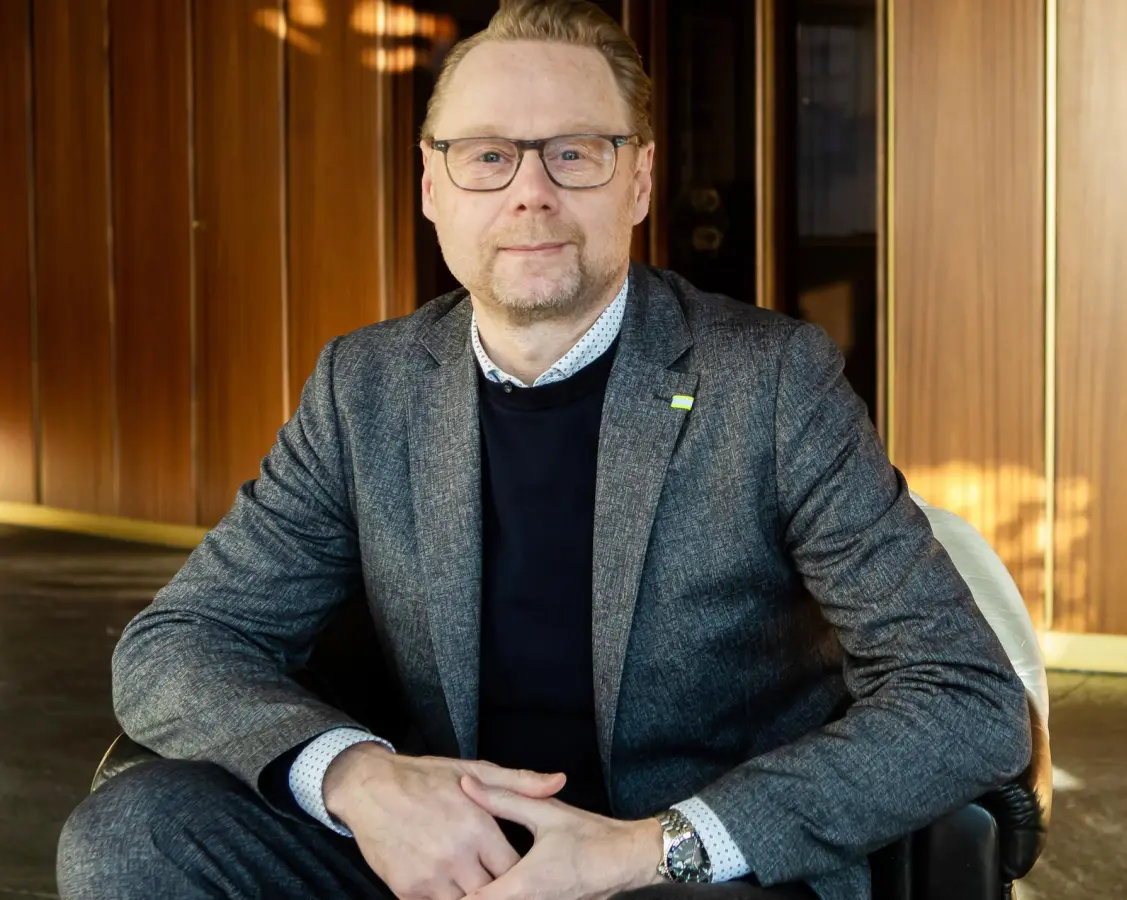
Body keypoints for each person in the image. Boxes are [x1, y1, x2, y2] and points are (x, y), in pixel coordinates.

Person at [54, 2, 1029, 898]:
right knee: (133, 836)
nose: (530, 193)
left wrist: (649, 845)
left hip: (679, 863)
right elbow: (177, 646)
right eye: (487, 156)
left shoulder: (770, 382)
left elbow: (963, 696)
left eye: (575, 152)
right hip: (446, 854)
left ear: (638, 178)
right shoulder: (366, 387)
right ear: (433, 184)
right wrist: (361, 780)